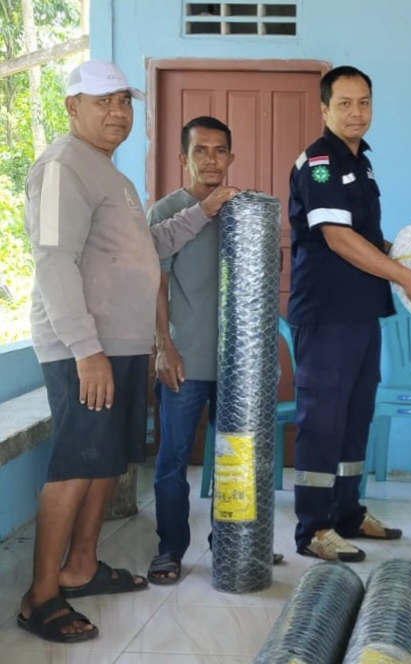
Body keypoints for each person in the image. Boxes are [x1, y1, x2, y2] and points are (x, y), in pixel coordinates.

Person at [18, 60, 238, 643]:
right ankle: (40, 597)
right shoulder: (63, 166)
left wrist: (203, 212)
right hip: (85, 348)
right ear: (72, 107)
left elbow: (150, 245)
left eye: (124, 101)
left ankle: (81, 566)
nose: (118, 112)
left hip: (119, 344)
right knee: (75, 464)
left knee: (107, 462)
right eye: (103, 101)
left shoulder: (109, 173)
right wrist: (85, 349)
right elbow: (53, 261)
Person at [287, 65, 411, 562]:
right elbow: (337, 237)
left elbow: (367, 238)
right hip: (326, 314)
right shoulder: (320, 163)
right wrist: (406, 280)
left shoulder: (361, 163)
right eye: (345, 103)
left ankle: (347, 512)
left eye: (364, 102)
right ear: (324, 109)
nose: (357, 112)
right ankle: (315, 527)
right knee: (322, 421)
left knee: (355, 417)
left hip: (361, 312)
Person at [146, 116, 238, 585]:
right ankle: (170, 548)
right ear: (184, 158)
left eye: (219, 150)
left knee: (236, 459)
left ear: (231, 158)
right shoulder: (166, 212)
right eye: (200, 150)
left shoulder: (243, 211)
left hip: (237, 366)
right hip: (185, 361)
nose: (211, 159)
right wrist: (164, 347)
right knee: (172, 461)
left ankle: (233, 544)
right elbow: (155, 285)